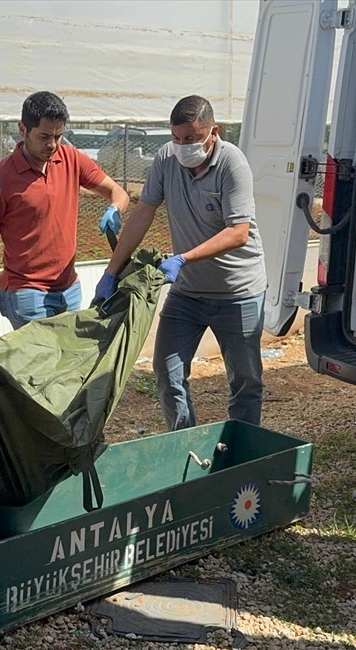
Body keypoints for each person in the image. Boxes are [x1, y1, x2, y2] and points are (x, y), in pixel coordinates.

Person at [94, 95, 266, 432]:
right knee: (167, 371)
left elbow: (238, 233)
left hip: (238, 293)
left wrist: (183, 258)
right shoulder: (166, 159)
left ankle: (244, 449)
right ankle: (185, 442)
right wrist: (111, 271)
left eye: (190, 139)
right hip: (187, 294)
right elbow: (145, 210)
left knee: (245, 380)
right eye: (176, 138)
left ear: (213, 132)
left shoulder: (233, 164)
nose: (182, 146)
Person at [0, 90, 130, 329]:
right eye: (44, 136)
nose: (52, 145)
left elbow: (119, 193)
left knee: (65, 362)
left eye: (59, 136)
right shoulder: (2, 176)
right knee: (42, 364)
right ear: (23, 130)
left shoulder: (71, 159)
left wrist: (115, 208)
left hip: (69, 288)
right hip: (27, 292)